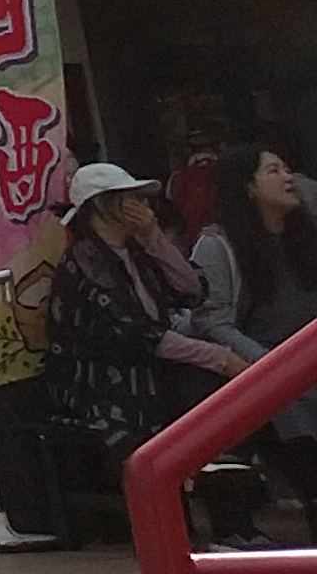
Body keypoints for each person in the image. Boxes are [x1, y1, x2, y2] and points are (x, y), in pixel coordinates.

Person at [49, 160, 267, 548]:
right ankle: (187, 531)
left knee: (214, 397)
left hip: (152, 365)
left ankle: (233, 521)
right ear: (102, 206)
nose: (140, 204)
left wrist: (155, 239)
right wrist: (221, 357)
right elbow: (140, 334)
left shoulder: (138, 249)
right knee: (198, 389)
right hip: (105, 376)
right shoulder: (85, 260)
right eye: (128, 197)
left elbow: (192, 291)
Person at [194, 146, 317, 530]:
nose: (287, 178)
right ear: (247, 186)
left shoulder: (306, 235)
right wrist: (271, 365)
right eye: (274, 170)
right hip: (266, 372)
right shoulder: (218, 245)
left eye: (287, 168)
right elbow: (212, 322)